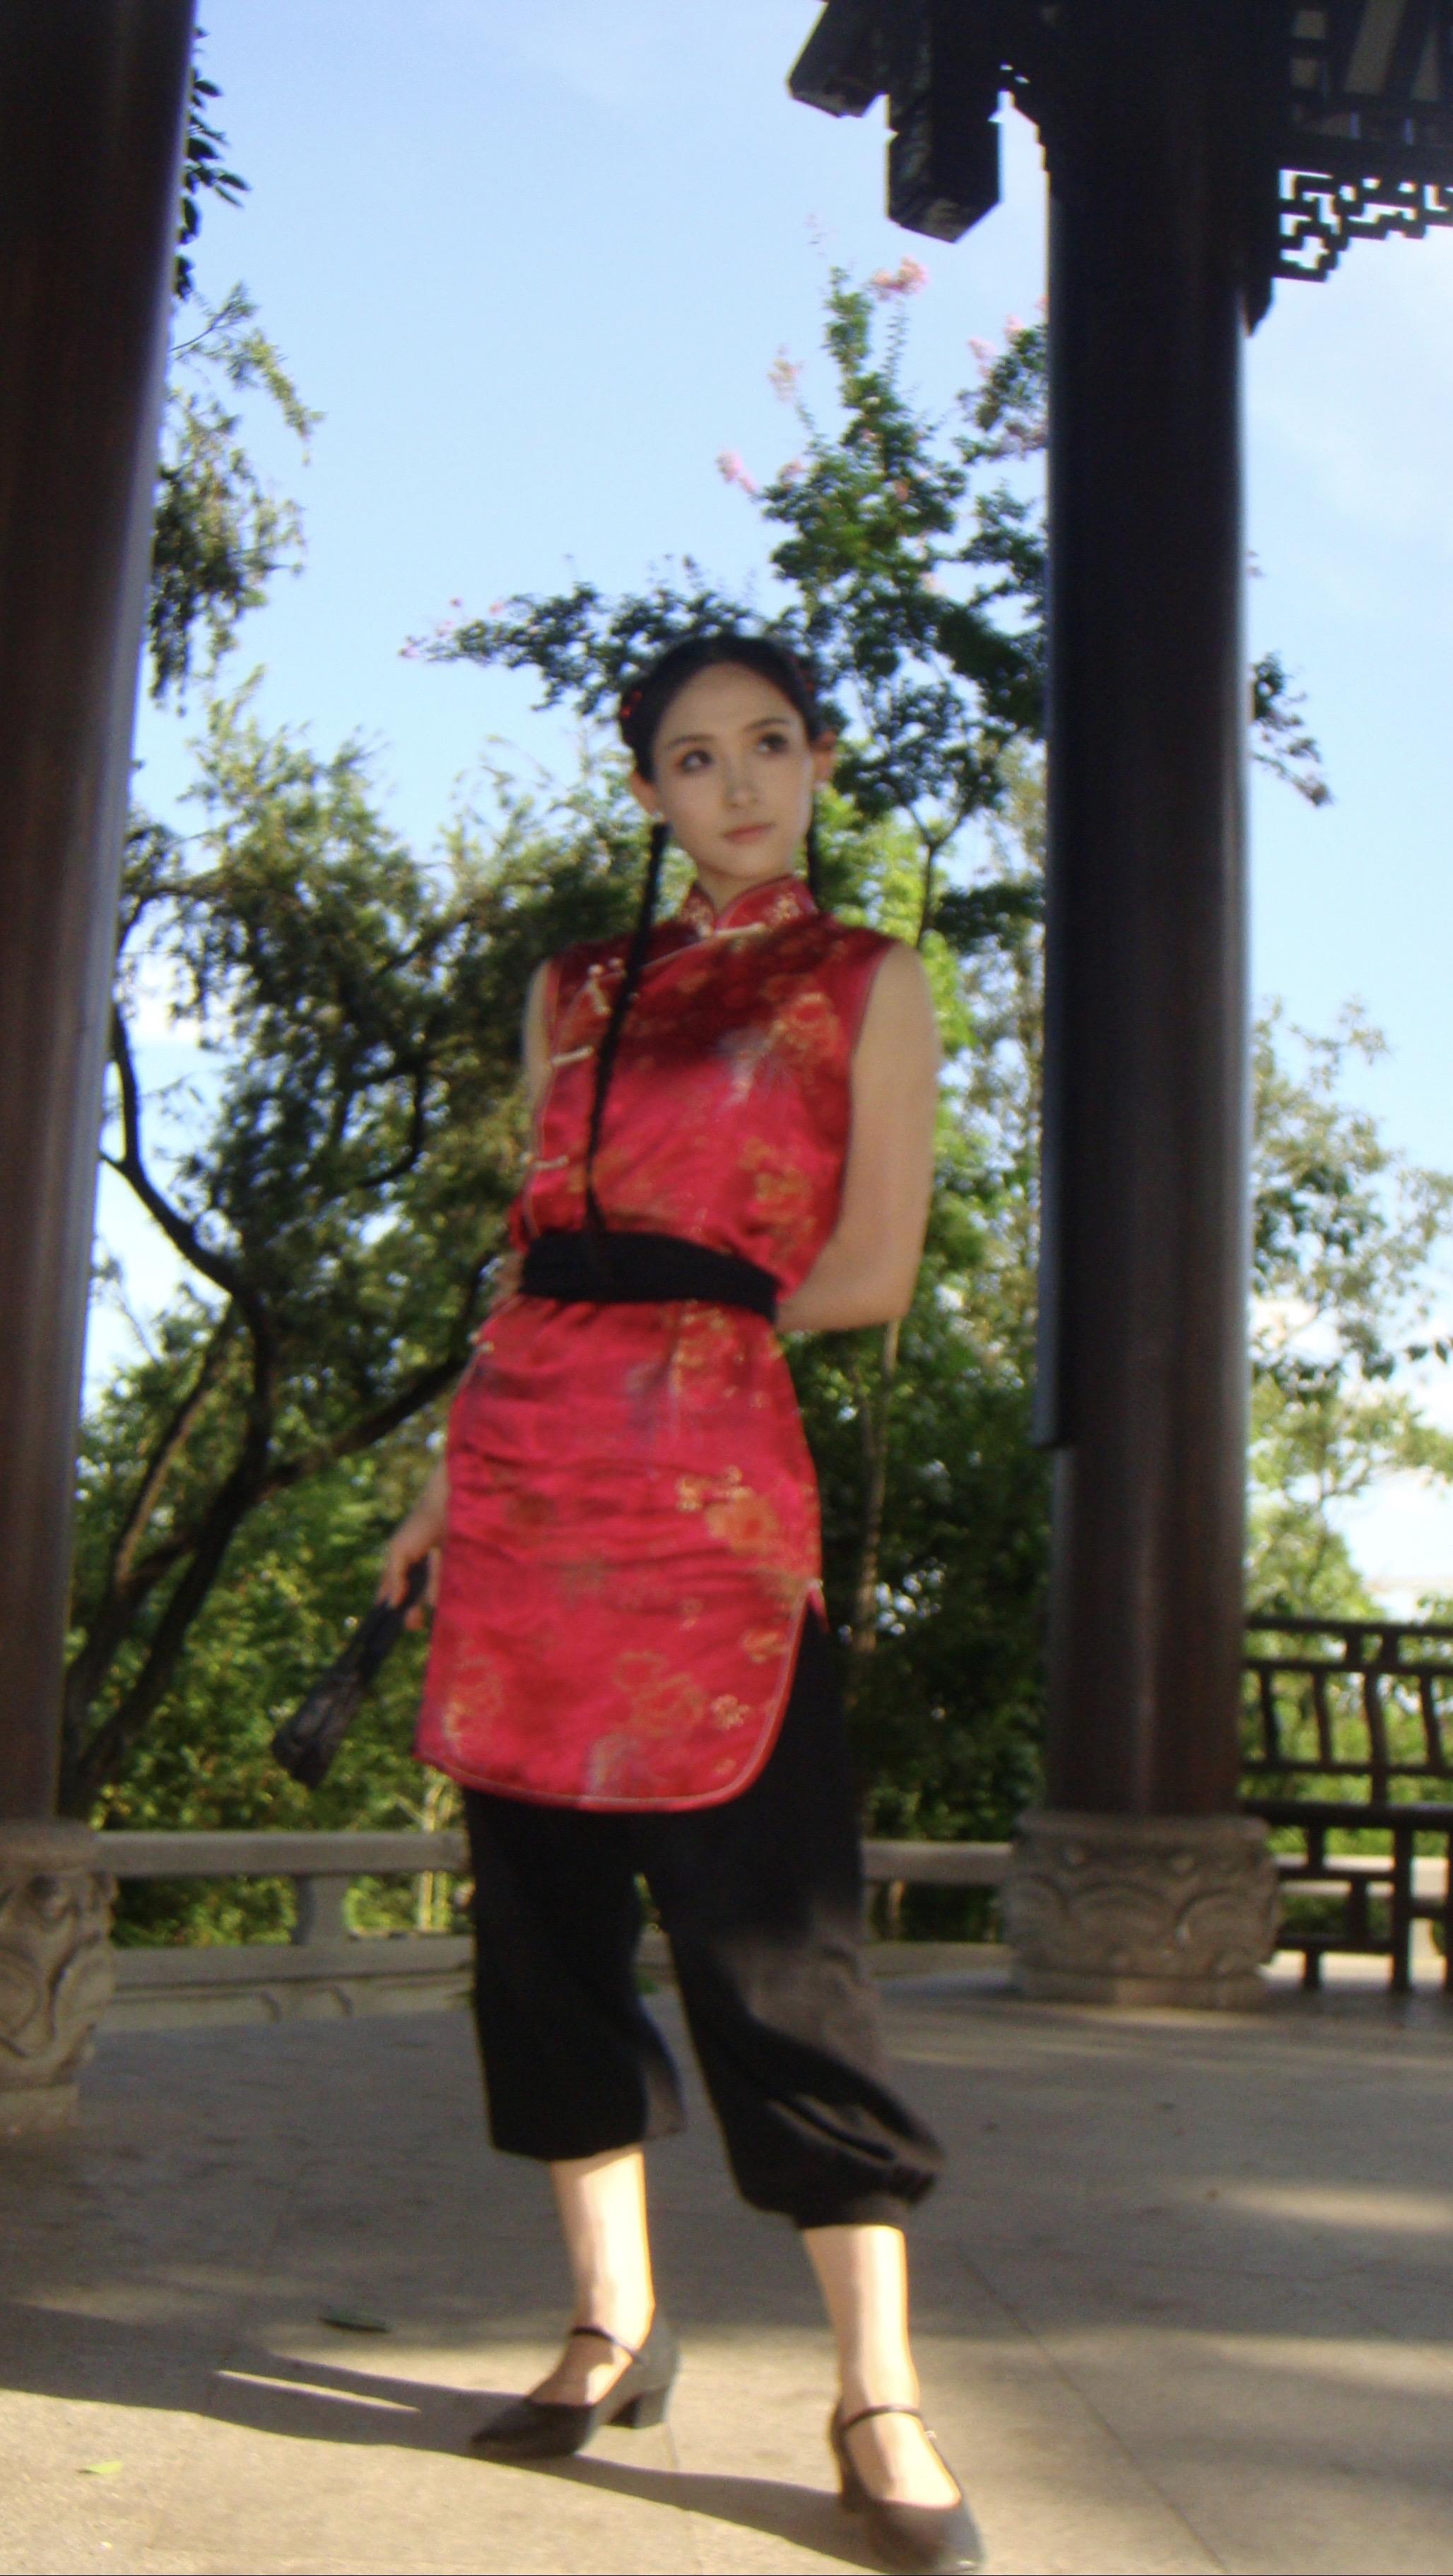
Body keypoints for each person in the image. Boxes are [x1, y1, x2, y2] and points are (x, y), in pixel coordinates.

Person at [380, 632, 980, 2575]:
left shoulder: (867, 978)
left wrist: (685, 1331)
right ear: (645, 791)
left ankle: (877, 2395)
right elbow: (528, 1251)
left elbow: (872, 1268)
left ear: (819, 766)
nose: (736, 785)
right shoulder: (573, 984)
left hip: (712, 1486)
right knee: (540, 1923)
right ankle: (609, 2322)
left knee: (773, 1935)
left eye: (770, 746)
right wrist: (447, 1475)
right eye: (694, 758)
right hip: (524, 1465)